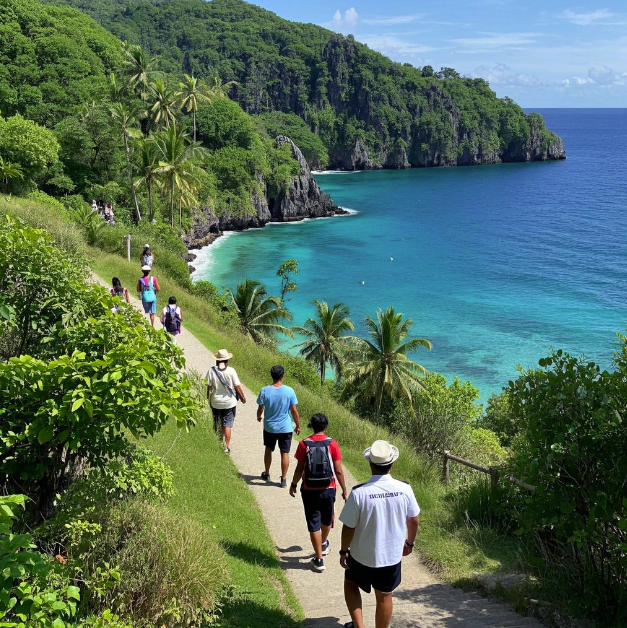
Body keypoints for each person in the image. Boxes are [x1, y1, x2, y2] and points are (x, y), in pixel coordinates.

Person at [339, 440, 420, 628]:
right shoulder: (404, 489)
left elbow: (348, 527)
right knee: (384, 595)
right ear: (392, 463)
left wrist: (344, 551)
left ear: (370, 464)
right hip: (391, 556)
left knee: (351, 582)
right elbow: (414, 519)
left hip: (361, 555)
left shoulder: (359, 493)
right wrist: (409, 543)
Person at [289, 413, 348, 572]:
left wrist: (294, 484)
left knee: (314, 523)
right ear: (325, 426)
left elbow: (300, 468)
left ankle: (319, 559)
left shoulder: (304, 444)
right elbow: (338, 470)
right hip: (328, 489)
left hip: (309, 489)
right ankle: (323, 543)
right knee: (327, 519)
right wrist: (344, 490)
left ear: (311, 426)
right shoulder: (332, 444)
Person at [256, 365, 301, 488]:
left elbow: (260, 407)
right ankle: (284, 479)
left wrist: (259, 416)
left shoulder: (264, 390)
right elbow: (294, 411)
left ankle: (267, 472)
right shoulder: (289, 391)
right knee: (284, 452)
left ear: (272, 375)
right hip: (285, 427)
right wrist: (298, 425)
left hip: (269, 427)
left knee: (268, 449)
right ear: (282, 376)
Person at [206, 349, 246, 453]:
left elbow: (209, 386)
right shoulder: (231, 371)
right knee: (227, 424)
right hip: (229, 403)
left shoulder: (211, 371)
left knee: (217, 422)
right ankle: (226, 447)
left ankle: (218, 441)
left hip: (215, 402)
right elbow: (237, 386)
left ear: (217, 361)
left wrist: (208, 398)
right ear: (227, 361)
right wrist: (243, 397)